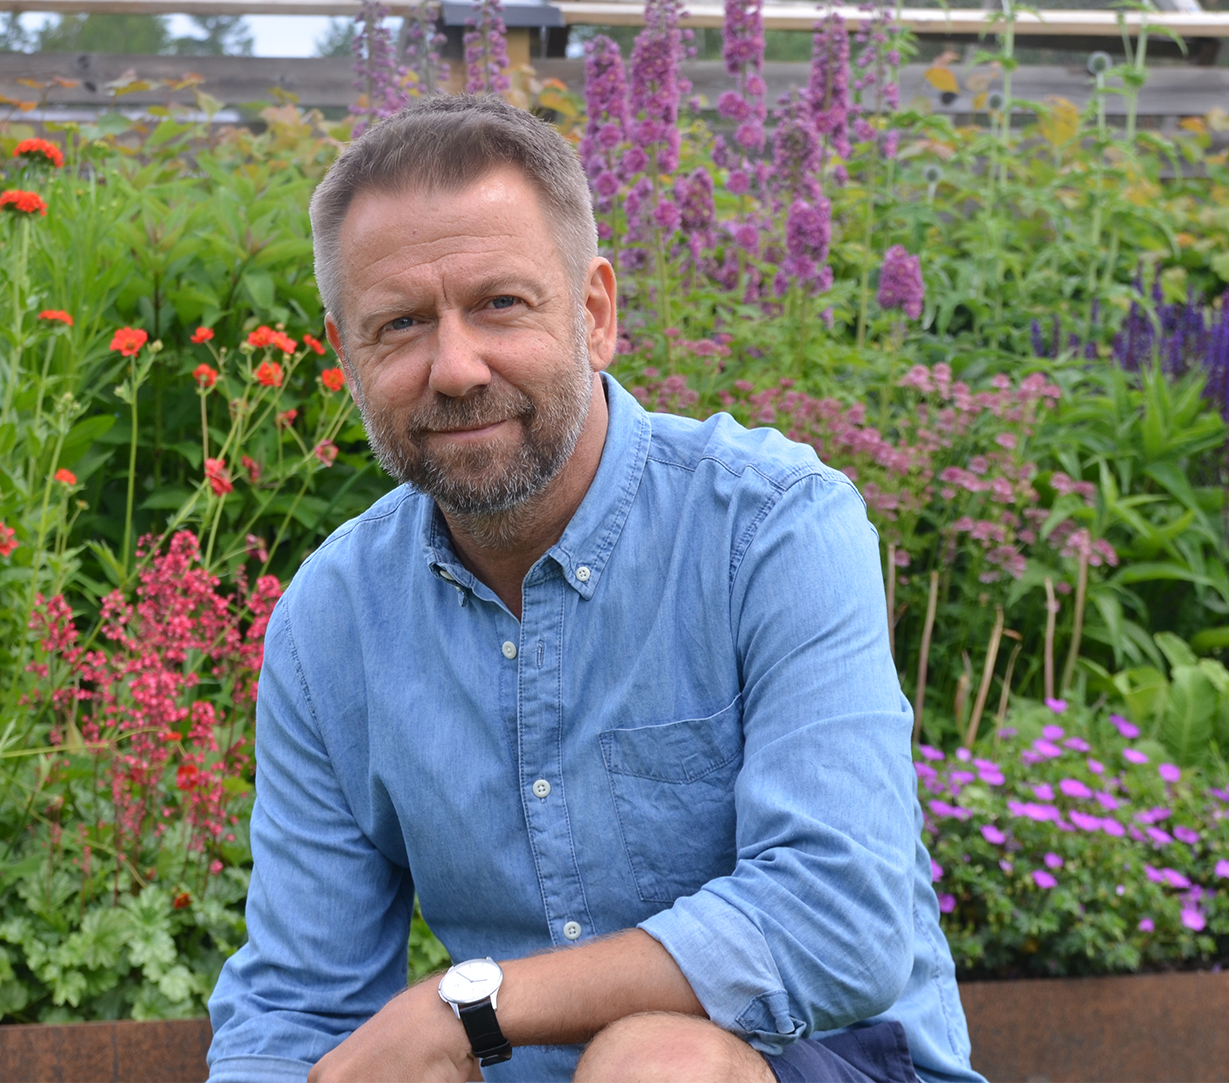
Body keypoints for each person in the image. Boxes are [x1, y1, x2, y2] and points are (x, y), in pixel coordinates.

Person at [205, 95, 980, 1083]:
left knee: (655, 1062)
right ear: (345, 356)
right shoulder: (332, 621)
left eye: (501, 303)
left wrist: (467, 1008)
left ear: (595, 314)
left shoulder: (773, 529)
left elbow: (837, 921)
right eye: (400, 325)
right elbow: (295, 1008)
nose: (455, 368)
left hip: (829, 1065)